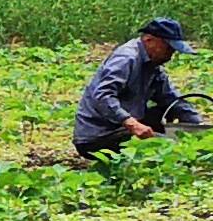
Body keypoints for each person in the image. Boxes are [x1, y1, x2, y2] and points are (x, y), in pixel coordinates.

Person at [71, 16, 203, 162]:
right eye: (168, 47)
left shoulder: (154, 65)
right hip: (97, 136)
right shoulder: (126, 58)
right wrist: (132, 124)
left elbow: (171, 99)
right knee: (160, 143)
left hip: (121, 127)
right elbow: (103, 96)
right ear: (149, 40)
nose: (171, 54)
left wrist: (200, 127)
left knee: (164, 112)